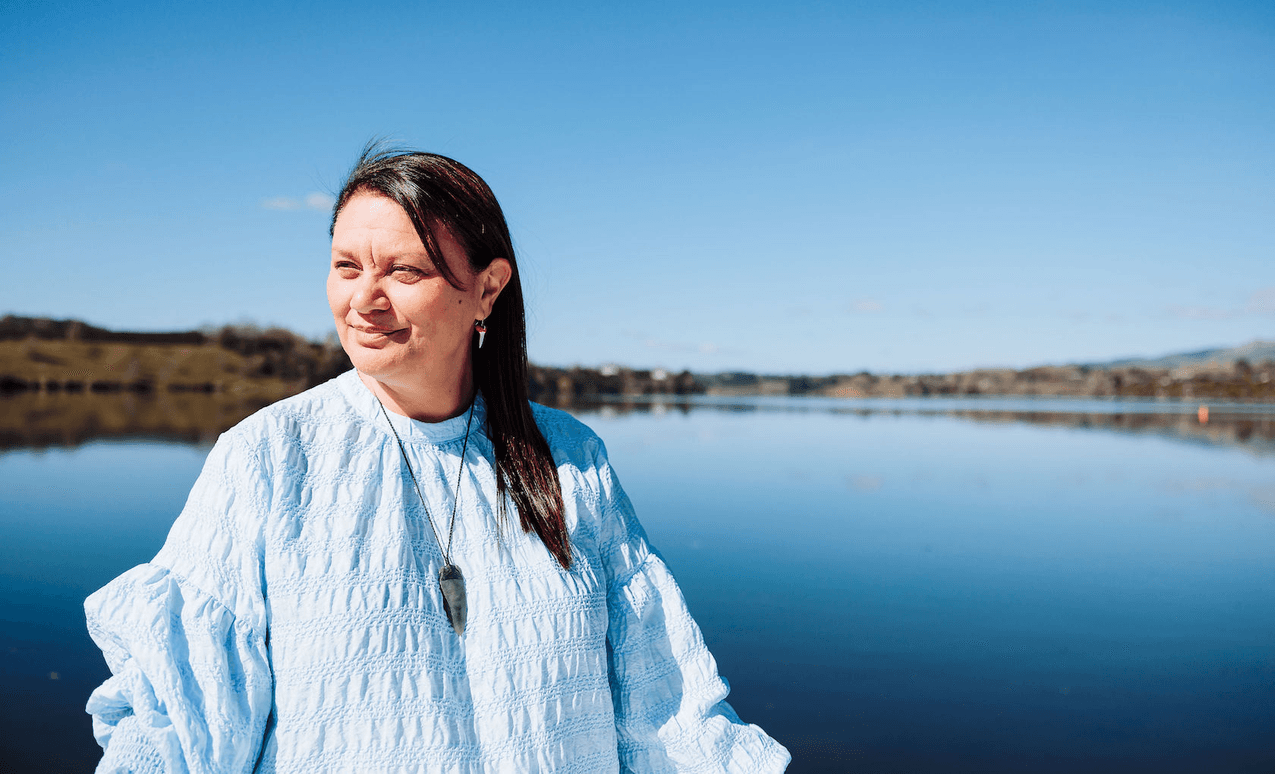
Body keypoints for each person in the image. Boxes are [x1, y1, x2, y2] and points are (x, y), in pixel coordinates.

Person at [84, 144, 791, 773]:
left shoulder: (572, 460)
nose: (364, 299)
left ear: (488, 287)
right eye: (346, 266)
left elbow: (665, 709)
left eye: (404, 270)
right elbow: (179, 721)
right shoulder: (266, 460)